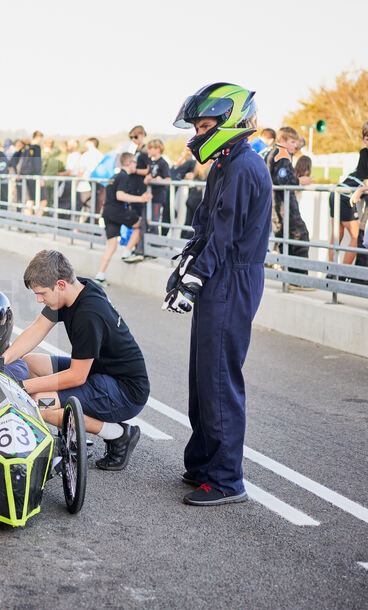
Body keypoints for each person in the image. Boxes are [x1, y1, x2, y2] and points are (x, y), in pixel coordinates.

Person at [165, 82, 271, 506]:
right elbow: (206, 227)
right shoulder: (225, 164)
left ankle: (228, 480)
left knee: (220, 379)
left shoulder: (245, 166)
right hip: (219, 275)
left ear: (229, 123)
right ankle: (204, 463)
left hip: (232, 278)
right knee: (201, 377)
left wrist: (197, 279)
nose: (197, 134)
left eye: (205, 125)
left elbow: (226, 237)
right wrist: (185, 268)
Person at [2, 250, 149, 471]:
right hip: (97, 373)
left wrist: (21, 387)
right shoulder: (76, 289)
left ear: (60, 284)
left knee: (39, 404)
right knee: (30, 362)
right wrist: (0, 361)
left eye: (41, 293)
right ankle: (71, 428)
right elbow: (37, 330)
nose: (39, 299)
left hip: (124, 391)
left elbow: (76, 376)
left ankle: (119, 435)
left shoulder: (88, 315)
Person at [95, 152, 149, 284]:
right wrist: (140, 199)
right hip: (117, 211)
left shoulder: (114, 176)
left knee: (111, 246)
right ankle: (127, 252)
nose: (135, 165)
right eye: (134, 163)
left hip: (107, 212)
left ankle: (100, 275)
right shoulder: (123, 176)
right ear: (129, 163)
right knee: (140, 224)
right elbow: (120, 196)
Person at [264, 126, 310, 280]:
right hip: (283, 206)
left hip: (274, 207)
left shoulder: (271, 153)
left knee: (285, 240)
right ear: (282, 140)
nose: (295, 145)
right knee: (300, 237)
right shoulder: (282, 155)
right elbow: (281, 180)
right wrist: (299, 181)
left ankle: (289, 279)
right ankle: (299, 280)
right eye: (292, 141)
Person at [329, 121, 368, 268]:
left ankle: (332, 270)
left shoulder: (363, 157)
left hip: (336, 193)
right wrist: (360, 190)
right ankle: (342, 271)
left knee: (337, 234)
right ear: (363, 139)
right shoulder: (364, 156)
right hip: (345, 195)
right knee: (355, 236)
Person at [145, 139, 172, 235]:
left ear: (158, 149)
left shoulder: (163, 163)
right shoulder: (151, 163)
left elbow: (168, 179)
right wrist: (148, 179)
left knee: (154, 222)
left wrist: (160, 180)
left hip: (158, 197)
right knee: (148, 221)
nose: (148, 151)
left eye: (150, 148)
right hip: (149, 197)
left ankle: (155, 244)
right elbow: (147, 178)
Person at [19, 131, 43, 215]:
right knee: (34, 200)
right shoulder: (36, 148)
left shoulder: (27, 148)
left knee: (29, 200)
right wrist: (40, 176)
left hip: (25, 175)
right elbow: (37, 163)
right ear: (37, 137)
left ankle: (27, 222)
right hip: (33, 176)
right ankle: (32, 222)